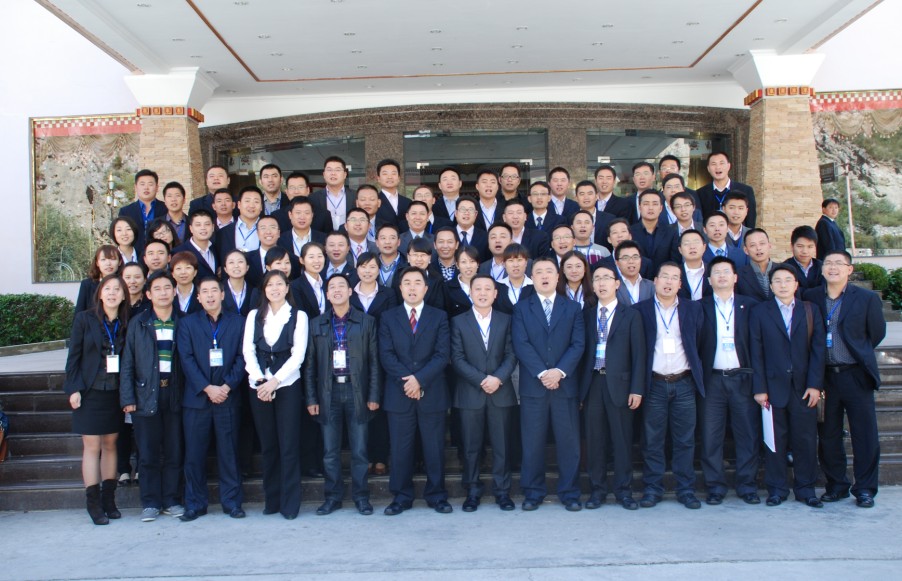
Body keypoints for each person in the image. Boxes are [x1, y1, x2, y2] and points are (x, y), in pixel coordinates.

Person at [804, 250, 886, 508]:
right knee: (828, 435)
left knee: (864, 434)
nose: (833, 267)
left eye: (839, 264)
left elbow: (876, 333)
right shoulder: (811, 297)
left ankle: (865, 488)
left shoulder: (866, 298)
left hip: (855, 374)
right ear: (822, 269)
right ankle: (836, 485)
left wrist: (856, 352)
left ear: (849, 269)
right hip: (825, 377)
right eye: (828, 263)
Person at [305, 273, 381, 516]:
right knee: (330, 451)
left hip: (357, 390)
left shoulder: (367, 322)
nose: (337, 290)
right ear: (327, 295)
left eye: (342, 286)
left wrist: (374, 395)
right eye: (332, 287)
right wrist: (311, 398)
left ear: (350, 292)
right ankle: (333, 497)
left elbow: (374, 362)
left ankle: (361, 497)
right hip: (328, 393)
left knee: (359, 451)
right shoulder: (316, 324)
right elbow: (309, 365)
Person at [512, 257, 585, 511]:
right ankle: (533, 492)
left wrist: (559, 372)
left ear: (557, 277)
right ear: (532, 278)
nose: (544, 276)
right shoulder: (522, 308)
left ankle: (570, 492)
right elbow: (521, 343)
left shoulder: (573, 308)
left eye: (549, 271)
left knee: (569, 443)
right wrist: (543, 373)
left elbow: (578, 344)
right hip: (534, 386)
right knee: (532, 442)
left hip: (565, 386)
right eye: (539, 272)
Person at [749, 264, 826, 508]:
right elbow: (755, 351)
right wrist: (759, 388)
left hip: (804, 388)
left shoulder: (810, 310)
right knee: (774, 441)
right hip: (772, 388)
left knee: (805, 440)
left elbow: (818, 350)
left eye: (787, 280)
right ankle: (777, 489)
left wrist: (815, 384)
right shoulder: (760, 312)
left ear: (796, 284)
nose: (783, 285)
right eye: (777, 281)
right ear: (771, 286)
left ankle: (806, 489)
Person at [379, 267, 452, 515]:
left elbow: (442, 354)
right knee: (400, 449)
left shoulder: (439, 316)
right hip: (399, 393)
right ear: (400, 288)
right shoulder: (388, 317)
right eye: (407, 283)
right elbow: (386, 355)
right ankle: (401, 496)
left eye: (417, 282)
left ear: (426, 288)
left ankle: (437, 495)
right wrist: (407, 382)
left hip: (432, 391)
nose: (412, 287)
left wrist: (419, 380)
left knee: (434, 448)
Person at [634, 262, 705, 509]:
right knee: (652, 440)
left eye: (674, 278)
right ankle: (652, 489)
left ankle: (686, 490)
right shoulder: (640, 310)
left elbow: (699, 343)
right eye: (664, 276)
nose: (669, 282)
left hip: (684, 382)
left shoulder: (693, 309)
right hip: (654, 383)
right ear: (655, 281)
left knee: (685, 440)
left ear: (680, 284)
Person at [177, 277, 247, 521]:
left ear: (222, 294)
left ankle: (232, 503)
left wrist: (226, 386)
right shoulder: (187, 324)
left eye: (214, 291)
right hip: (197, 399)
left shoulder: (238, 322)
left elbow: (243, 357)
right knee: (194, 455)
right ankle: (194, 504)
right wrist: (208, 388)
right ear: (197, 297)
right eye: (204, 292)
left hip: (228, 397)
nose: (209, 296)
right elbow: (186, 359)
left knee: (229, 453)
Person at [242, 271, 309, 519]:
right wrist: (260, 380)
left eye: (279, 284)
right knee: (269, 445)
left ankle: (290, 504)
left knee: (288, 445)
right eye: (270, 285)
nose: (275, 289)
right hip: (258, 386)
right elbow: (248, 350)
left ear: (287, 287)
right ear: (264, 289)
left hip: (287, 384)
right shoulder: (254, 315)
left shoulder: (298, 316)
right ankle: (272, 500)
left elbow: (298, 355)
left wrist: (275, 381)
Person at [120, 271, 185, 522]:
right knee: (147, 453)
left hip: (175, 393)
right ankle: (150, 502)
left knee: (174, 451)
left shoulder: (183, 321)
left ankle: (171, 499)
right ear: (148, 294)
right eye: (157, 289)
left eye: (167, 288)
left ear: (174, 291)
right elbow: (128, 363)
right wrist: (128, 398)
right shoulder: (139, 323)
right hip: (145, 393)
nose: (163, 293)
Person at [65, 274, 129, 524]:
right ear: (100, 294)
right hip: (89, 390)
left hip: (115, 391)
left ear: (123, 296)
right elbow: (74, 357)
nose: (112, 293)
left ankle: (109, 500)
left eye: (117, 289)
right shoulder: (85, 319)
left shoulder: (126, 321)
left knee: (111, 444)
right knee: (92, 445)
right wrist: (73, 389)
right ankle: (93, 503)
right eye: (108, 289)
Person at [580, 264, 645, 510]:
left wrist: (637, 388)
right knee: (595, 441)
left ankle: (623, 491)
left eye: (606, 278)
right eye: (597, 279)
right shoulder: (586, 315)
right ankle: (597, 490)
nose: (601, 283)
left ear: (617, 284)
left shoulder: (631, 315)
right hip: (593, 383)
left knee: (621, 440)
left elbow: (639, 355)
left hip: (621, 385)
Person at [451, 274, 518, 512]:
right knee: (471, 447)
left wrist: (497, 378)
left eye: (487, 289)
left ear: (495, 294)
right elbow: (457, 358)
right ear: (470, 293)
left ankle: (502, 491)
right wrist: (481, 380)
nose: (482, 293)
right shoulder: (458, 321)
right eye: (477, 289)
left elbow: (512, 354)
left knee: (502, 446)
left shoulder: (506, 320)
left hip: (501, 391)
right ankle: (472, 491)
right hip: (470, 392)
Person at [699, 256, 761, 505]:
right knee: (711, 436)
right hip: (712, 380)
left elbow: (758, 345)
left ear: (735, 277)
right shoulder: (700, 307)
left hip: (742, 378)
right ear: (709, 280)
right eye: (717, 272)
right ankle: (715, 486)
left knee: (747, 434)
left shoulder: (751, 306)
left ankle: (747, 485)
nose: (722, 276)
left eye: (726, 271)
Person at [350, 252, 398, 478]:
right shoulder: (349, 293)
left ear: (379, 270)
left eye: (372, 267)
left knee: (378, 409)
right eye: (363, 266)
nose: (367, 271)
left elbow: (392, 324)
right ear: (356, 269)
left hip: (381, 356)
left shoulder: (388, 294)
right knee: (358, 408)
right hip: (354, 357)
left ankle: (380, 457)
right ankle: (364, 457)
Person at [697, 152, 757, 227]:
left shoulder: (746, 190)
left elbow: (750, 219)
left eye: (721, 163)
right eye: (713, 164)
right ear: (708, 168)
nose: (718, 167)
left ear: (729, 166)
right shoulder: (700, 193)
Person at [629, 189, 679, 272]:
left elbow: (675, 261)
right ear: (640, 207)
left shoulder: (671, 233)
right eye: (646, 204)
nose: (650, 208)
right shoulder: (630, 232)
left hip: (663, 277)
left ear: (661, 208)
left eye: (655, 204)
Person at [277, 197, 328, 279]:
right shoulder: (280, 240)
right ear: (290, 215)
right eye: (298, 213)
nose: (302, 217)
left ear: (312, 215)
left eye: (307, 213)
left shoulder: (324, 239)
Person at [119, 169, 166, 248]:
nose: (146, 188)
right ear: (135, 187)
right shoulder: (125, 212)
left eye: (150, 184)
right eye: (142, 184)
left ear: (157, 187)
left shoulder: (166, 209)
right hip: (134, 253)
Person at [218, 186, 264, 262]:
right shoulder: (223, 233)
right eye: (247, 201)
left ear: (261, 207)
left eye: (256, 202)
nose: (251, 205)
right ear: (239, 204)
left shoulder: (269, 232)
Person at [310, 156, 356, 230]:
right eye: (329, 170)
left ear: (345, 174)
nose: (333, 173)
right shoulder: (313, 198)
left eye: (337, 170)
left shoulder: (355, 196)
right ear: (324, 174)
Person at [172, 209, 218, 280]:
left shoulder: (216, 249)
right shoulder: (178, 252)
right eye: (198, 225)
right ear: (191, 228)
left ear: (213, 227)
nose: (203, 228)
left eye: (207, 224)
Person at [75, 245, 122, 314]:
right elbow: (79, 312)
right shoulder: (87, 284)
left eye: (112, 259)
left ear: (120, 262)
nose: (108, 263)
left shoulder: (123, 284)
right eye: (103, 259)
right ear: (97, 263)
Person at [289, 242, 329, 320]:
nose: (316, 261)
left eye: (320, 256)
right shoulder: (294, 286)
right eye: (311, 257)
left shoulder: (329, 284)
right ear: (302, 260)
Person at [736, 228, 775, 302]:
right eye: (752, 245)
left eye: (762, 243)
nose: (758, 248)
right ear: (746, 250)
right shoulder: (738, 275)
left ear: (769, 246)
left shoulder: (784, 270)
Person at [613, 241, 654, 305]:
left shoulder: (652, 286)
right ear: (617, 263)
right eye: (625, 258)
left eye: (635, 257)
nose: (631, 261)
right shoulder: (612, 287)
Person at [785, 225, 824, 291]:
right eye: (800, 246)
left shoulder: (822, 267)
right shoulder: (785, 268)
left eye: (810, 247)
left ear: (815, 248)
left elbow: (825, 290)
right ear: (792, 246)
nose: (805, 251)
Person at [446, 246, 481, 318]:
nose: (468, 266)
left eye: (472, 261)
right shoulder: (446, 287)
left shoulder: (488, 284)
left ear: (478, 264)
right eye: (463, 262)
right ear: (457, 265)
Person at [677, 229, 712, 301]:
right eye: (686, 244)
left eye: (696, 242)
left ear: (704, 247)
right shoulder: (675, 273)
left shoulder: (712, 271)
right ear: (680, 250)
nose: (692, 247)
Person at [375, 159, 410, 231]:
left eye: (393, 173)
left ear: (399, 178)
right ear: (378, 178)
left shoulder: (407, 202)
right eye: (385, 174)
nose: (390, 177)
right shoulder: (374, 202)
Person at [222, 249, 258, 317]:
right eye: (231, 262)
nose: (236, 266)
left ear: (247, 267)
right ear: (225, 269)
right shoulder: (218, 289)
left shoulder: (255, 291)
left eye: (240, 262)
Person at [455, 196, 489, 262]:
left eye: (470, 210)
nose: (466, 213)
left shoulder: (485, 236)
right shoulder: (448, 234)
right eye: (462, 209)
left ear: (476, 214)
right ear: (456, 213)